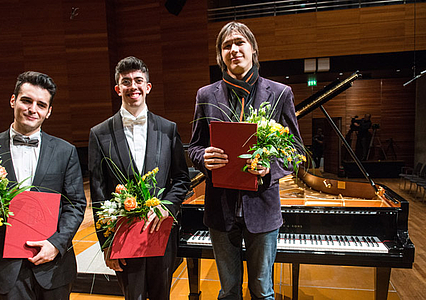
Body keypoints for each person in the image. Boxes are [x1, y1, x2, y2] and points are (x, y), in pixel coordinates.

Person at [188, 22, 302, 300]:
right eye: (226, 46)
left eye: (239, 43)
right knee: (228, 292)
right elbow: (193, 147)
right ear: (220, 55)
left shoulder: (280, 93)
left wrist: (268, 169)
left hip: (262, 210)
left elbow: (295, 151)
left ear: (253, 49)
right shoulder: (206, 95)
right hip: (220, 209)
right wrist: (203, 157)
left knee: (262, 292)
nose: (234, 50)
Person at [0, 71, 87, 300]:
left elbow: (75, 205)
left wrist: (56, 243)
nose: (33, 109)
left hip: (54, 265)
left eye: (41, 105)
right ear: (13, 100)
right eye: (26, 100)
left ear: (49, 112)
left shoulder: (65, 151)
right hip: (6, 267)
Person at [88, 56, 190, 300]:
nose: (132, 86)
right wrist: (107, 244)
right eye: (126, 82)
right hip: (122, 236)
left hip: (162, 231)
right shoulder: (99, 133)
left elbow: (181, 179)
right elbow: (99, 194)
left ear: (148, 86)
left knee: (161, 295)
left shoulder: (168, 129)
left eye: (138, 80)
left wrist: (167, 208)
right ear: (118, 89)